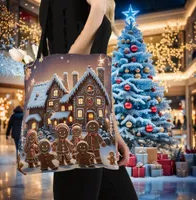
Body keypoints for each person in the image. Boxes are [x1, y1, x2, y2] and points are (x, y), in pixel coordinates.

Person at [39, 0, 138, 199]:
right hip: (74, 124)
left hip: (98, 122)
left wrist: (114, 130)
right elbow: (67, 68)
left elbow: (99, 70)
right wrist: (97, 12)